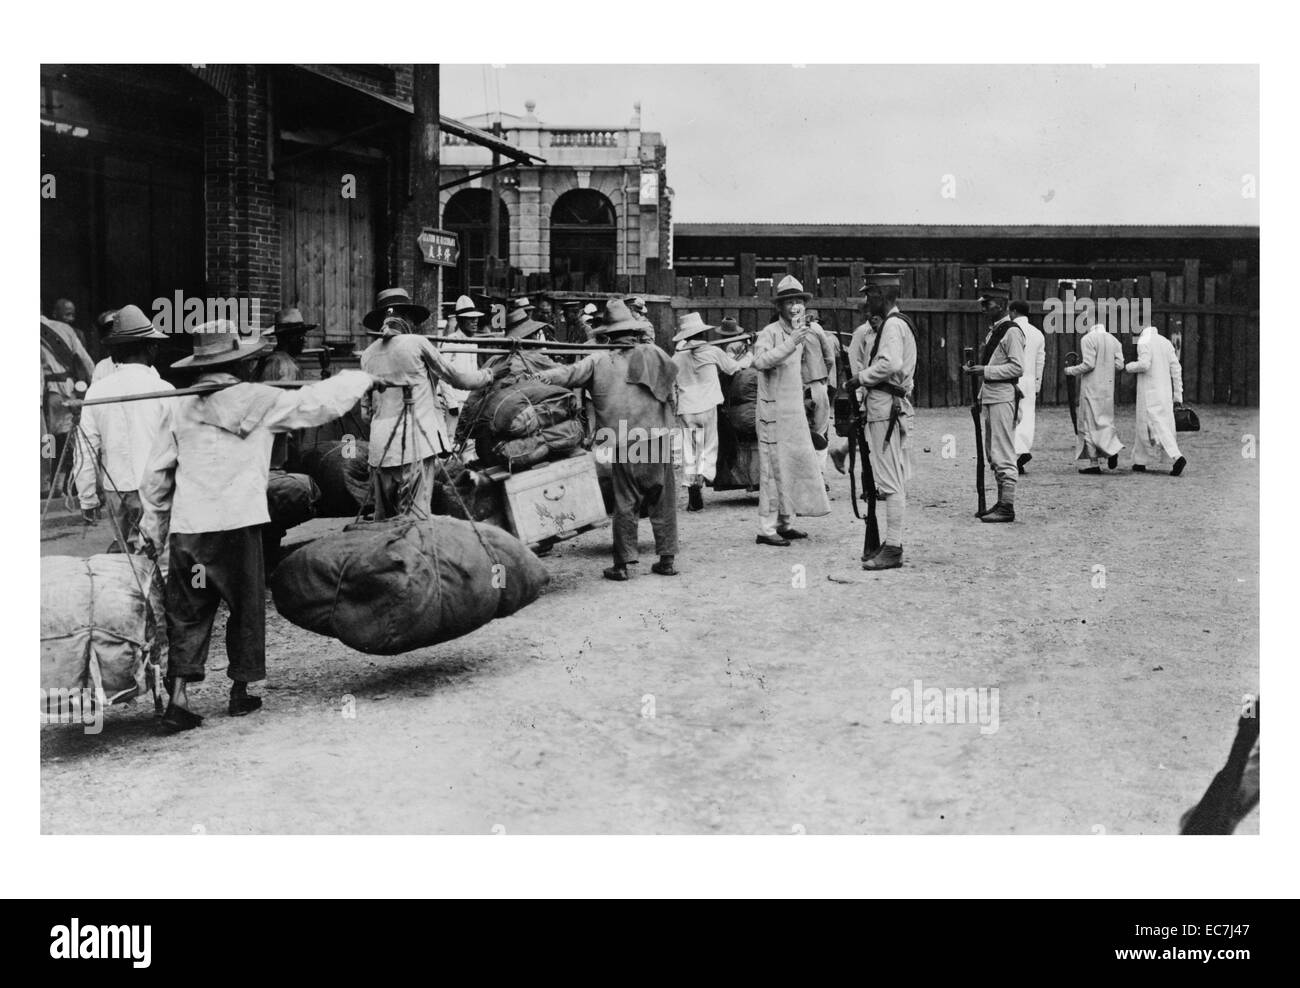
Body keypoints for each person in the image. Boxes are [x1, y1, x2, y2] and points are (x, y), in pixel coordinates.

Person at [139, 321, 381, 731]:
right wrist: (361, 377)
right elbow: (318, 404)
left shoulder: (180, 406)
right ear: (242, 363)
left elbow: (157, 476)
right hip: (240, 524)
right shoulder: (262, 401)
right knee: (245, 605)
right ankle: (240, 692)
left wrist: (153, 529)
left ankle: (178, 698)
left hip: (192, 529)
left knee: (189, 610)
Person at [535, 299, 679, 581]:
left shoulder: (598, 360)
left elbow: (567, 375)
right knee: (663, 500)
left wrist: (539, 374)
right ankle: (667, 559)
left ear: (607, 335)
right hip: (656, 438)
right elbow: (673, 389)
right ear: (633, 332)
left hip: (623, 441)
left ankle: (623, 565)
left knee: (626, 502)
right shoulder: (656, 354)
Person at [359, 288, 504, 519]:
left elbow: (366, 413)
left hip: (380, 449)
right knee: (415, 518)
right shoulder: (417, 343)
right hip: (416, 443)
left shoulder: (367, 355)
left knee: (384, 519)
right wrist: (490, 374)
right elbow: (457, 378)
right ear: (405, 318)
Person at [72, 305, 173, 548]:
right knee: (156, 557)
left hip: (116, 488)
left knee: (125, 556)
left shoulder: (98, 391)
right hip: (155, 489)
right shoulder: (165, 390)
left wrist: (87, 498)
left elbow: (85, 449)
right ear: (149, 347)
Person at [842, 272, 917, 569]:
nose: (866, 300)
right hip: (887, 404)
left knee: (890, 481)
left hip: (885, 406)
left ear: (883, 296)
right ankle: (891, 543)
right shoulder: (897, 324)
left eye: (870, 294)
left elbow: (890, 363)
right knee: (891, 478)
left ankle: (894, 547)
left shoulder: (892, 325)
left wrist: (859, 378)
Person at [752, 276, 831, 546]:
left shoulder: (803, 332)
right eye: (789, 302)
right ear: (780, 306)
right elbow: (760, 361)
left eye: (799, 301)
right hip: (772, 412)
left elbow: (816, 363)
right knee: (772, 470)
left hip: (794, 410)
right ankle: (766, 529)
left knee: (793, 464)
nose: (795, 306)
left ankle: (785, 523)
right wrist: (790, 344)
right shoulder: (770, 332)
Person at [672, 311, 750, 511]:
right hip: (707, 406)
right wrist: (748, 356)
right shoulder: (712, 351)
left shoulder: (677, 357)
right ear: (702, 334)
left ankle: (693, 486)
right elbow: (733, 368)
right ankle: (702, 476)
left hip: (687, 408)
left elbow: (670, 380)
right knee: (709, 446)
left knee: (691, 450)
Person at [963, 284, 1025, 523]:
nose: (983, 308)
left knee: (1003, 452)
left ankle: (1007, 506)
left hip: (1002, 396)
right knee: (993, 453)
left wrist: (985, 369)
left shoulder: (1011, 332)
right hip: (991, 395)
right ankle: (1001, 502)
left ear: (1000, 304)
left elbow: (1018, 367)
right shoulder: (994, 331)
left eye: (986, 304)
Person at [40, 307, 96, 496]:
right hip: (69, 389)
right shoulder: (64, 328)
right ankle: (66, 481)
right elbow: (85, 360)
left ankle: (49, 483)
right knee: (69, 437)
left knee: (47, 439)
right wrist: (96, 385)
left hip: (49, 393)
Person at [1124, 323, 1187, 476]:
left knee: (1154, 426)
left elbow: (1145, 365)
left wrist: (1129, 367)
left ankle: (1177, 457)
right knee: (1160, 424)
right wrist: (1178, 395)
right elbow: (1176, 369)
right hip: (1165, 393)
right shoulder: (1165, 342)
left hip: (1148, 393)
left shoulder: (1144, 341)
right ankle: (1139, 461)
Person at [1063, 321, 1125, 474]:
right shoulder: (1114, 340)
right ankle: (1112, 449)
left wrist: (1070, 370)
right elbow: (1120, 365)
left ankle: (1094, 463)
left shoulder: (1088, 339)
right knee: (1106, 420)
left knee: (1089, 423)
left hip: (1091, 387)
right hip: (1108, 387)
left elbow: (1089, 364)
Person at [801, 307, 839, 484]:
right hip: (817, 383)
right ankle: (819, 478)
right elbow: (830, 358)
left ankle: (805, 478)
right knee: (820, 432)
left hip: (795, 387)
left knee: (798, 432)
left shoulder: (785, 329)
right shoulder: (817, 330)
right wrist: (823, 377)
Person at [1010, 299, 1046, 474]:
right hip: (1030, 379)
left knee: (1011, 415)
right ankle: (1023, 449)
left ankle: (1016, 452)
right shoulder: (1037, 333)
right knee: (1027, 416)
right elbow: (1040, 361)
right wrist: (1037, 384)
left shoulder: (1010, 330)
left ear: (1014, 312)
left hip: (1012, 378)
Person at [91, 309, 121, 381]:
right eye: (109, 328)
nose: (114, 331)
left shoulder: (141, 364)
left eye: (118, 325)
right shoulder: (102, 367)